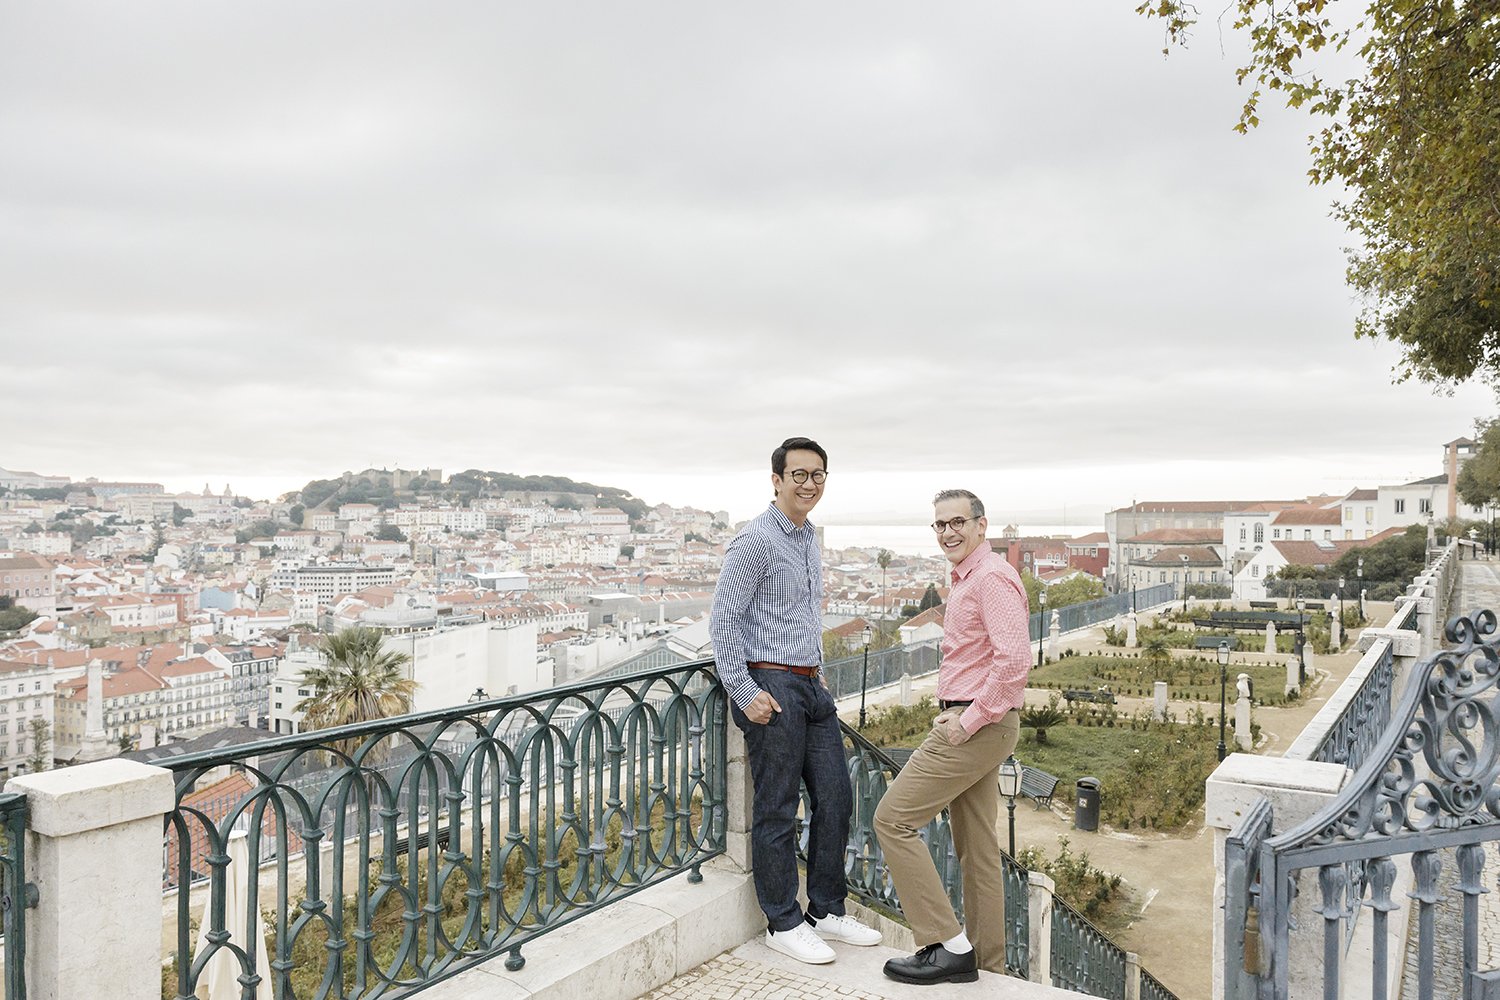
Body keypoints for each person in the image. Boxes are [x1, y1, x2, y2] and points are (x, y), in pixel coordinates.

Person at [709, 436, 882, 965]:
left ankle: (826, 910)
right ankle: (782, 921)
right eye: (799, 474)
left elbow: (803, 615)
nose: (810, 483)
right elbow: (725, 621)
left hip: (810, 684)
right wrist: (745, 692)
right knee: (778, 808)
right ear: (777, 480)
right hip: (771, 685)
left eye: (818, 475)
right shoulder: (755, 540)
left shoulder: (809, 537)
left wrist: (820, 675)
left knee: (836, 796)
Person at [874, 488, 1030, 985]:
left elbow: (1015, 663)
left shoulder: (991, 578)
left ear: (982, 526)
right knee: (978, 849)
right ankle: (987, 968)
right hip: (980, 723)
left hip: (977, 724)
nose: (948, 532)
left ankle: (945, 943)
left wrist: (967, 719)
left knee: (892, 820)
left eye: (958, 522)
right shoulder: (967, 578)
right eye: (940, 525)